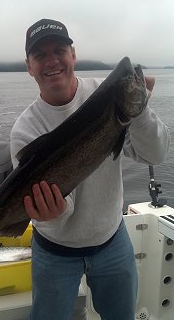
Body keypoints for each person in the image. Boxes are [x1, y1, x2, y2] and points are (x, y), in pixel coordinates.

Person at [10, 18, 170, 320]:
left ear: (73, 55)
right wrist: (53, 211)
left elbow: (155, 153)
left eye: (59, 50)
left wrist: (140, 109)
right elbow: (62, 209)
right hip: (54, 251)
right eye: (40, 55)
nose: (51, 60)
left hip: (112, 241)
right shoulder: (26, 128)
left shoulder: (110, 94)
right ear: (29, 66)